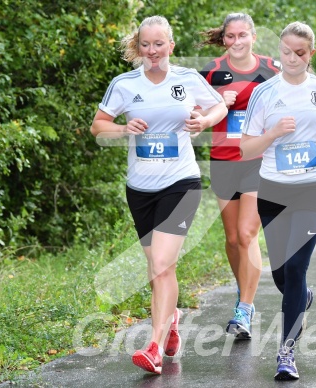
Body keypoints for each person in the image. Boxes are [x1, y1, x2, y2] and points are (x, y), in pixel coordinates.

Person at [90, 15, 226, 374]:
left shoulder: (187, 79)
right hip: (140, 189)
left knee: (163, 264)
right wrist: (122, 128)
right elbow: (97, 126)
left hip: (181, 183)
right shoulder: (124, 83)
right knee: (157, 270)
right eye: (145, 45)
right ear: (139, 47)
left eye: (158, 44)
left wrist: (204, 121)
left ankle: (152, 345)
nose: (152, 51)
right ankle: (173, 320)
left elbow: (219, 106)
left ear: (171, 45)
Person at [240, 21, 316, 380]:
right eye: (286, 52)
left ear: (310, 54)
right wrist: (274, 133)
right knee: (280, 271)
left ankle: (286, 352)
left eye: (299, 53)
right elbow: (246, 148)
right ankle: (302, 297)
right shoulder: (264, 94)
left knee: (295, 267)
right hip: (275, 190)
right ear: (278, 51)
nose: (292, 59)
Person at [198, 13, 280, 339]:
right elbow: (195, 115)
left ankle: (244, 309)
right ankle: (243, 292)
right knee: (232, 239)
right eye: (230, 37)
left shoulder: (272, 69)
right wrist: (217, 103)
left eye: (242, 35)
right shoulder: (212, 72)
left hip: (259, 161)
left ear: (253, 36)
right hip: (223, 160)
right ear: (224, 38)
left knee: (247, 234)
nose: (236, 42)